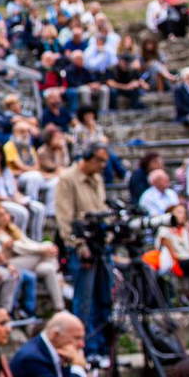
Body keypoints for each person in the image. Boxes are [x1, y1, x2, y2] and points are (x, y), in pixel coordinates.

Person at [54, 146, 111, 356]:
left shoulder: (97, 178)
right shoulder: (68, 180)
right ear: (86, 158)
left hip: (102, 243)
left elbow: (102, 208)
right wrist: (78, 244)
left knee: (105, 297)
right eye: (99, 160)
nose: (103, 166)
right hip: (82, 248)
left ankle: (105, 346)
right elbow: (64, 218)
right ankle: (86, 347)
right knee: (85, 302)